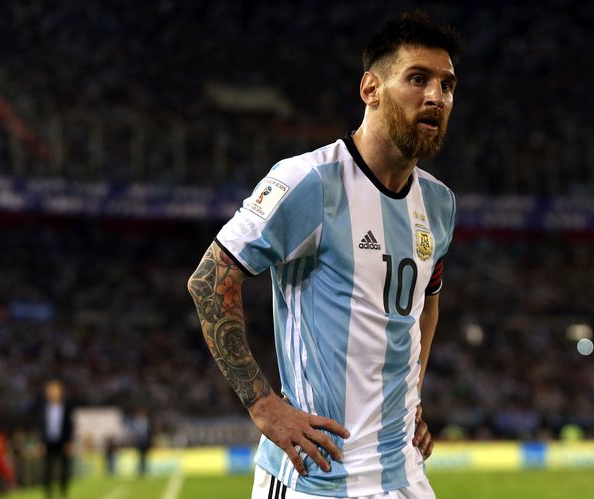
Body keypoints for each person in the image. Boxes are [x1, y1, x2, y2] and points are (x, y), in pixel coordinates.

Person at [188, 10, 458, 499]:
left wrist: (412, 395)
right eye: (417, 79)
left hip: (404, 476)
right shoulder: (309, 182)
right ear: (370, 89)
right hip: (317, 477)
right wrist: (263, 406)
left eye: (447, 85)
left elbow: (426, 300)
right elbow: (210, 278)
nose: (436, 96)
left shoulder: (439, 204)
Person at [40, 380, 74, 498]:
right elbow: (41, 426)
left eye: (56, 390)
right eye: (51, 390)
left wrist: (69, 441)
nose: (53, 393)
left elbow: (70, 425)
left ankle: (63, 491)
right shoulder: (43, 407)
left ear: (60, 392)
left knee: (64, 468)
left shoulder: (66, 406)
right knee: (47, 469)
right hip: (48, 442)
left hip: (62, 441)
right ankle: (48, 493)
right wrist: (42, 442)